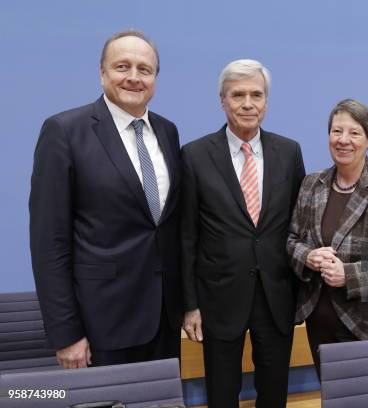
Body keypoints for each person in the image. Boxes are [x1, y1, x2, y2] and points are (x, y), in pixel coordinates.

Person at [29, 30, 183, 368]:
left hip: (164, 321)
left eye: (145, 69)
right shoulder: (65, 132)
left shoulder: (168, 132)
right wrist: (66, 333)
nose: (133, 77)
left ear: (156, 78)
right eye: (122, 66)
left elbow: (166, 228)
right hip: (101, 325)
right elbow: (48, 243)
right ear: (102, 73)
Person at [181, 59, 305, 408]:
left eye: (256, 94)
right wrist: (190, 305)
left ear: (266, 101)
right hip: (218, 297)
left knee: (274, 392)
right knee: (221, 393)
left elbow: (299, 225)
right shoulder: (194, 155)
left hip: (276, 294)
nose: (248, 103)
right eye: (238, 95)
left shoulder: (289, 151)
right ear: (223, 100)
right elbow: (187, 236)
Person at [287, 99, 368, 377]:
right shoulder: (312, 184)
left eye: (354, 133)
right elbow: (292, 240)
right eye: (336, 131)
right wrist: (307, 256)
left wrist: (350, 275)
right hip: (319, 322)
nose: (343, 140)